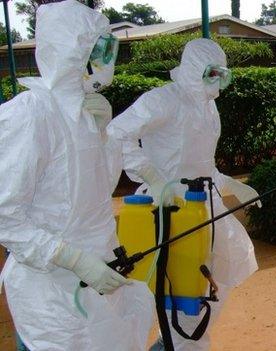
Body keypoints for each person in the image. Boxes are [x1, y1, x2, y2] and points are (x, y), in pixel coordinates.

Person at [0, 1, 154, 350]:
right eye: (98, 48)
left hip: (100, 278)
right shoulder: (31, 114)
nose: (106, 59)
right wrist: (73, 259)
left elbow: (99, 191)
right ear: (74, 50)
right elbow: (5, 216)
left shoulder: (86, 113)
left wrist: (102, 137)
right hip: (50, 290)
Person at [107, 38, 260, 350]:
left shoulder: (208, 107)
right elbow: (117, 132)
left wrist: (232, 184)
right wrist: (151, 176)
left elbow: (202, 165)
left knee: (220, 276)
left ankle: (177, 342)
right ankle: (178, 343)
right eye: (211, 73)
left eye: (222, 74)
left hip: (205, 204)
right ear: (193, 70)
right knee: (178, 285)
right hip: (169, 206)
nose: (216, 82)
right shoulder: (163, 100)